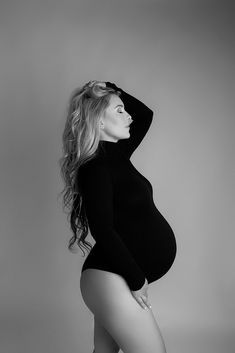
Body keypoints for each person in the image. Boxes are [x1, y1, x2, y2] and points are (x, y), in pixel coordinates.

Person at [59, 80, 177, 353]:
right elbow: (102, 228)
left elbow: (144, 115)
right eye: (120, 110)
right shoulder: (95, 167)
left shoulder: (117, 155)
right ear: (99, 121)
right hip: (112, 278)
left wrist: (112, 89)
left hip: (112, 277)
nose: (129, 116)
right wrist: (136, 280)